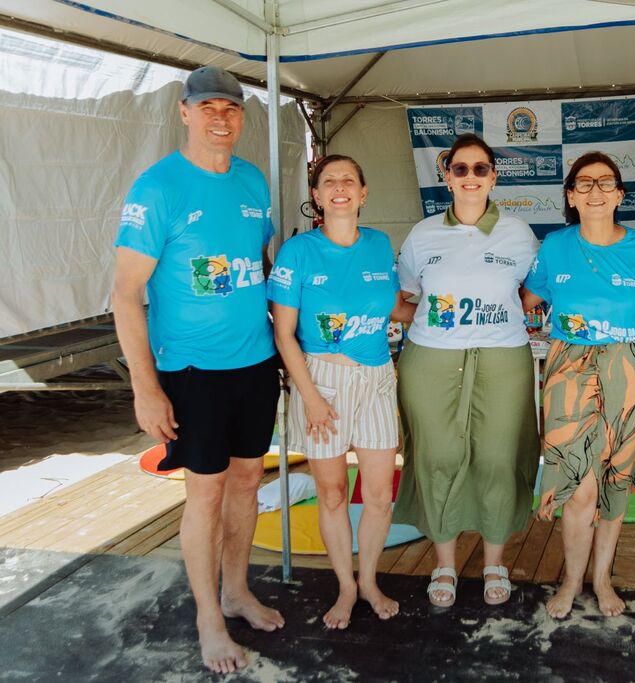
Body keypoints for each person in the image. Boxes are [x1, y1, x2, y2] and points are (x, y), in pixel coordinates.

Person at [112, 66, 283, 675]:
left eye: (231, 109)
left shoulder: (251, 180)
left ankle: (236, 591)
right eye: (207, 106)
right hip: (190, 370)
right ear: (184, 113)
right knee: (204, 494)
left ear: (242, 118)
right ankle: (208, 616)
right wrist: (145, 388)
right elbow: (125, 294)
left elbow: (258, 261)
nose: (220, 117)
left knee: (245, 484)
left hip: (255, 362)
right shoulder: (157, 189)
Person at [521, 151, 635, 619]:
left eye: (605, 183)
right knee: (578, 485)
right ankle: (570, 580)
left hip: (629, 368)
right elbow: (529, 300)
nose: (595, 191)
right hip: (568, 368)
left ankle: (602, 578)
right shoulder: (554, 247)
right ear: (570, 196)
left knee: (615, 482)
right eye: (583, 184)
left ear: (620, 195)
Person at [392, 133, 539, 608]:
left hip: (502, 361)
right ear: (447, 176)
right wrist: (441, 324)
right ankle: (445, 564)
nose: (470, 177)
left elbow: (530, 297)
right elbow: (405, 298)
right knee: (438, 459)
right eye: (461, 169)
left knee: (497, 459)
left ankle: (495, 561)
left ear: (494, 177)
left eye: (480, 169)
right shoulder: (423, 234)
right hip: (432, 361)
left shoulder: (518, 234)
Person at [268, 154, 402, 629]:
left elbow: (394, 309)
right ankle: (345, 587)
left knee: (381, 495)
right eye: (329, 182)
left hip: (377, 378)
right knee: (331, 494)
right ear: (318, 197)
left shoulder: (381, 245)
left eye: (349, 180)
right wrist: (311, 397)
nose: (340, 187)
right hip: (320, 379)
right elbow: (284, 334)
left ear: (363, 193)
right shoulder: (298, 252)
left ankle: (368, 581)